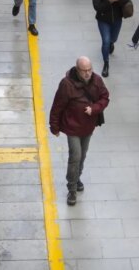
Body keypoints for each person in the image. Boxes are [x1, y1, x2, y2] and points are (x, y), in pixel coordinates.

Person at [49, 57, 109, 206]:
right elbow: (57, 106)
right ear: (77, 70)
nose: (88, 73)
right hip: (72, 127)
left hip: (88, 127)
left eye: (90, 69)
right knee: (75, 156)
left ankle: (77, 177)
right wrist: (54, 127)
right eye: (84, 71)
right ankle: (72, 188)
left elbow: (105, 97)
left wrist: (94, 109)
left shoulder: (97, 80)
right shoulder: (66, 84)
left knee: (82, 156)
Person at [90, 0, 130, 77]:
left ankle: (111, 43)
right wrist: (109, 1)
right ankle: (106, 64)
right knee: (106, 41)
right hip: (103, 20)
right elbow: (97, 7)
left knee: (113, 39)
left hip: (117, 18)